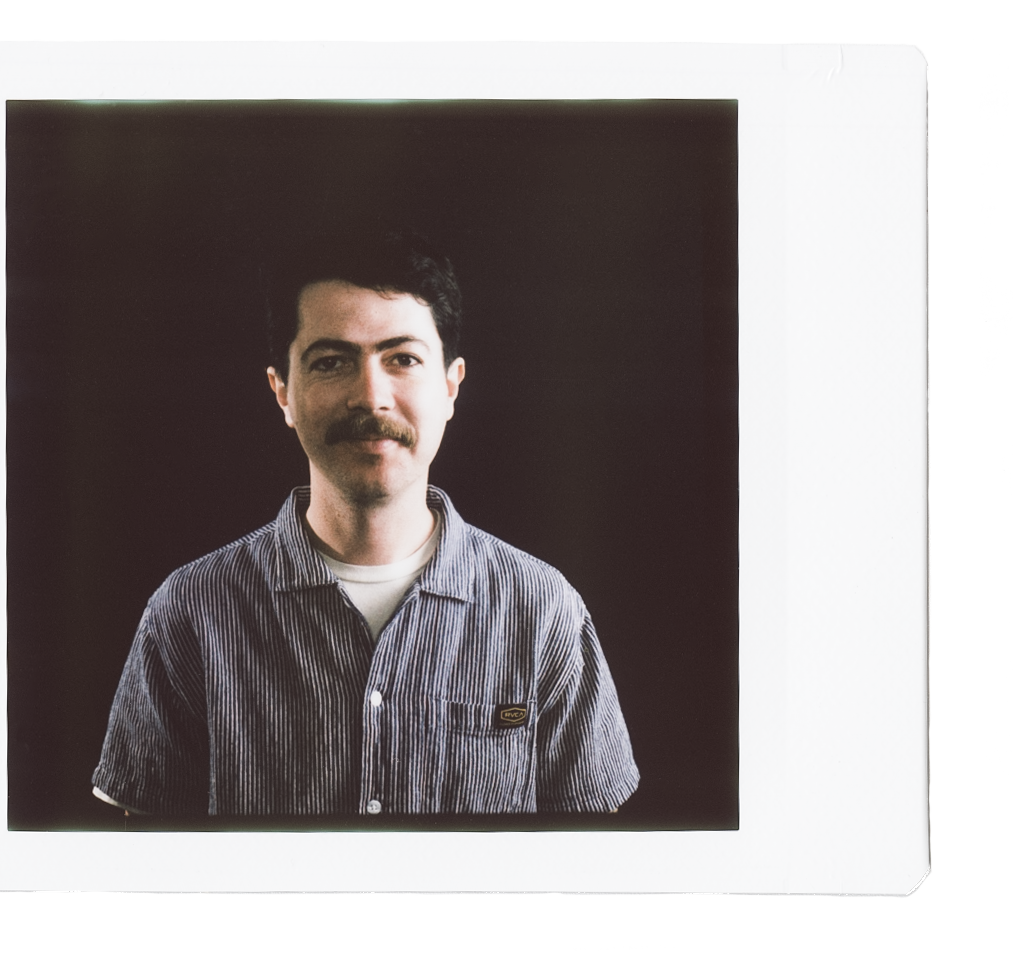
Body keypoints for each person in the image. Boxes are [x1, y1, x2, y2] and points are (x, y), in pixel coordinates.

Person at [91, 226, 640, 817]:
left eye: (402, 359)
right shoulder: (189, 613)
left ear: (451, 387)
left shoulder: (544, 610)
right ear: (283, 393)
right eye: (331, 362)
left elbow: (595, 867)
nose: (371, 396)